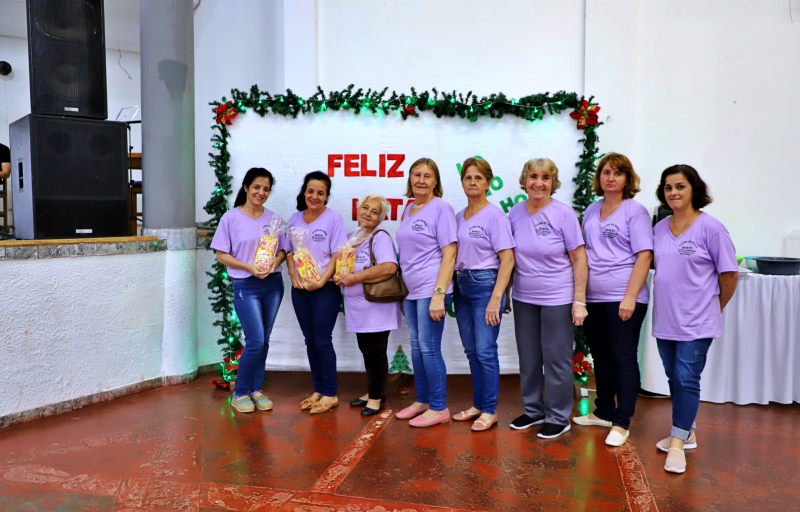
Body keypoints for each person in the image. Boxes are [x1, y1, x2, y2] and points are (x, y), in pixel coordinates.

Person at [652, 164, 738, 474]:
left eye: (680, 186)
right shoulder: (659, 228)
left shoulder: (711, 228)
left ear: (694, 190)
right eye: (668, 187)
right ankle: (686, 431)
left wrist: (715, 307)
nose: (673, 192)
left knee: (687, 379)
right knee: (674, 377)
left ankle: (677, 443)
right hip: (666, 319)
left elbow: (729, 274)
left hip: (697, 321)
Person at [572, 153, 653, 447]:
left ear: (627, 179)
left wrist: (630, 297)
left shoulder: (635, 211)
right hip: (594, 298)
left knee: (623, 359)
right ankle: (603, 411)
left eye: (618, 173)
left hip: (624, 299)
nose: (611, 178)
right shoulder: (593, 209)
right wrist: (580, 297)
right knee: (602, 357)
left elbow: (645, 256)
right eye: (606, 172)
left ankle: (621, 422)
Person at [508, 158, 588, 439]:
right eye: (533, 176)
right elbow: (509, 258)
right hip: (523, 297)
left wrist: (579, 301)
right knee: (529, 358)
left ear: (553, 182)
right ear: (524, 180)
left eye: (545, 177)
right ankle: (533, 410)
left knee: (556, 359)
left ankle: (558, 416)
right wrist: (504, 293)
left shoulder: (563, 214)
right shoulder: (515, 213)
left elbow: (579, 258)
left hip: (558, 297)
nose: (538, 183)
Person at [210, 168, 286, 414]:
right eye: (256, 187)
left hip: (273, 284)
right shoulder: (230, 218)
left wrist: (275, 261)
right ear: (245, 187)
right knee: (255, 340)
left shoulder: (274, 219)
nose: (261, 192)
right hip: (245, 284)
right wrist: (248, 267)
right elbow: (221, 255)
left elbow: (283, 250)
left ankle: (256, 390)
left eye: (266, 189)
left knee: (264, 340)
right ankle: (240, 392)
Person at [452, 157, 515, 432]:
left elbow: (508, 259)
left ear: (488, 183)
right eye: (468, 177)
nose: (473, 182)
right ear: (462, 182)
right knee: (471, 351)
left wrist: (496, 298)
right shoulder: (458, 216)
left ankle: (490, 410)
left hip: (485, 285)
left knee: (486, 351)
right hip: (461, 285)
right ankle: (478, 405)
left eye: (478, 178)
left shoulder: (495, 216)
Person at [395, 157, 457, 428]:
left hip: (432, 289)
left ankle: (439, 407)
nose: (421, 180)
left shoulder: (441, 208)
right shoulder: (409, 208)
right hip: (411, 292)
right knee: (417, 347)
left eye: (427, 176)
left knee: (429, 348)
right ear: (410, 179)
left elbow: (450, 253)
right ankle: (422, 400)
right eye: (416, 174)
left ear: (435, 182)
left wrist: (439, 294)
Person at [286, 171, 347, 415]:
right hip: (300, 289)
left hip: (325, 288)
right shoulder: (294, 219)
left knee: (322, 340)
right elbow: (289, 251)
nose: (314, 196)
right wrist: (292, 273)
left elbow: (337, 255)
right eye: (310, 191)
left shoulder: (334, 219)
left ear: (327, 196)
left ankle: (331, 393)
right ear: (304, 192)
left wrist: (321, 281)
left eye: (320, 193)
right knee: (310, 340)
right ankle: (318, 389)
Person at [337, 194, 400, 416]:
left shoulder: (380, 237)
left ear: (380, 218)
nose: (368, 213)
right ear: (357, 209)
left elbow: (389, 267)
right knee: (366, 350)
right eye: (365, 208)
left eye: (375, 212)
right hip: (356, 306)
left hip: (376, 305)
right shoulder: (349, 238)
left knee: (375, 351)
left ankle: (375, 398)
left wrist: (355, 278)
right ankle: (374, 390)